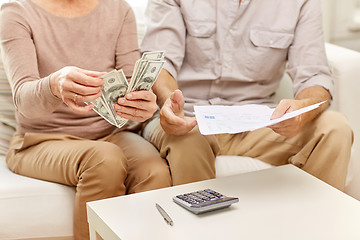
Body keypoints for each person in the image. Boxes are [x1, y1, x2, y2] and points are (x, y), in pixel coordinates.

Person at [136, 0, 353, 190]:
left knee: (335, 128)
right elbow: (159, 63)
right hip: (188, 118)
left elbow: (314, 76)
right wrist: (170, 103)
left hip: (258, 124)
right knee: (190, 137)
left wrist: (301, 111)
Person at [0, 0, 171, 239]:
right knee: (104, 159)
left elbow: (133, 84)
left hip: (110, 134)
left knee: (155, 171)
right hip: (39, 140)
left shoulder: (119, 10)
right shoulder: (17, 11)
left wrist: (142, 104)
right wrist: (53, 85)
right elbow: (23, 100)